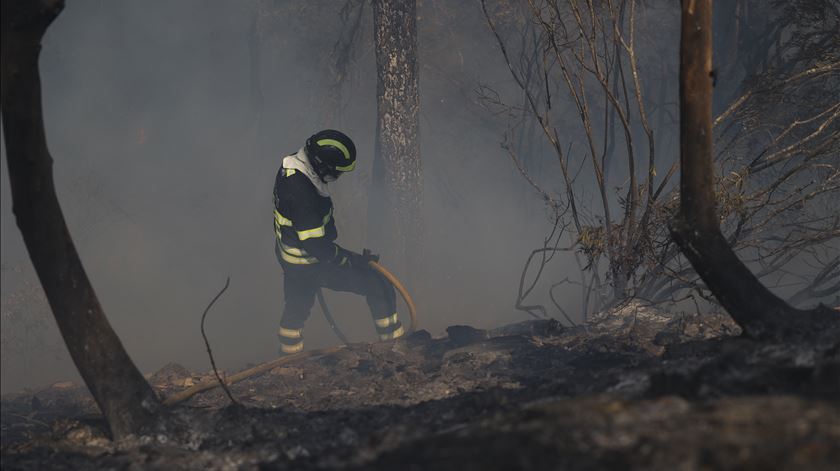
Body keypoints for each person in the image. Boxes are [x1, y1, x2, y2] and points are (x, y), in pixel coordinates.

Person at [272, 129, 404, 354]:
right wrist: (351, 260)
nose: (337, 177)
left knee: (296, 312)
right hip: (310, 263)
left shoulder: (293, 166)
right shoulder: (301, 193)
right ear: (321, 164)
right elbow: (317, 247)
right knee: (378, 284)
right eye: (336, 172)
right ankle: (397, 348)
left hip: (292, 259)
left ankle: (287, 362)